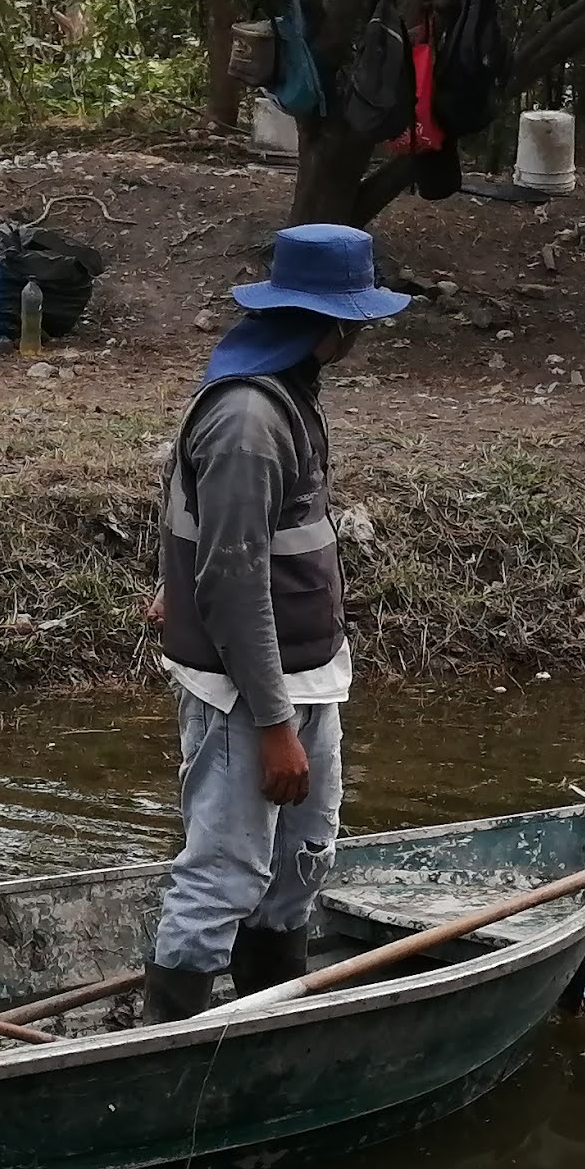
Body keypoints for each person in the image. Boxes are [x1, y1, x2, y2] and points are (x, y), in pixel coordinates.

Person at [144, 219, 411, 1019]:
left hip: (305, 672)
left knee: (302, 856)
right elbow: (233, 575)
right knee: (225, 868)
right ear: (332, 326)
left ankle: (271, 1011)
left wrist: (171, 583)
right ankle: (172, 1041)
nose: (361, 335)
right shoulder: (250, 422)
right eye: (357, 320)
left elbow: (208, 525)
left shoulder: (287, 390)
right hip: (250, 692)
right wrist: (273, 723)